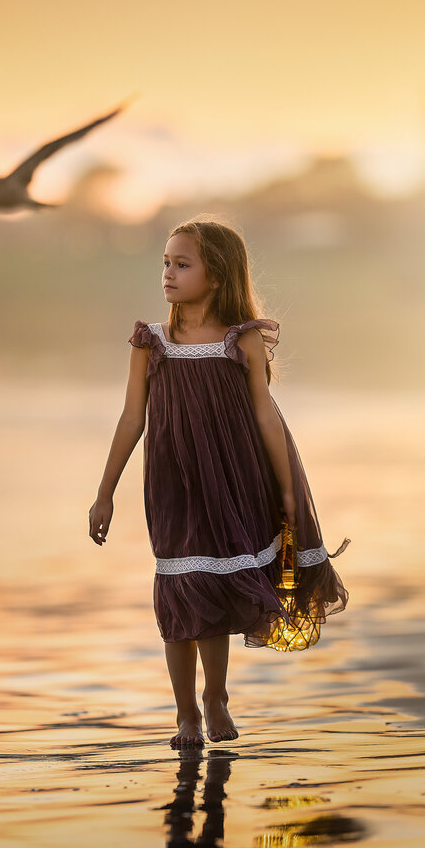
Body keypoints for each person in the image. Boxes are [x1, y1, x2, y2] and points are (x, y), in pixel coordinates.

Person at [88, 218, 350, 749]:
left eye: (182, 264)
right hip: (172, 483)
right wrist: (104, 491)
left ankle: (216, 698)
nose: (168, 273)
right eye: (165, 262)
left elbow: (266, 418)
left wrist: (286, 491)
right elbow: (130, 420)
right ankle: (185, 713)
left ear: (218, 274)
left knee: (213, 582)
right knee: (180, 583)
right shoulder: (151, 342)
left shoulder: (241, 342)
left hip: (229, 480)